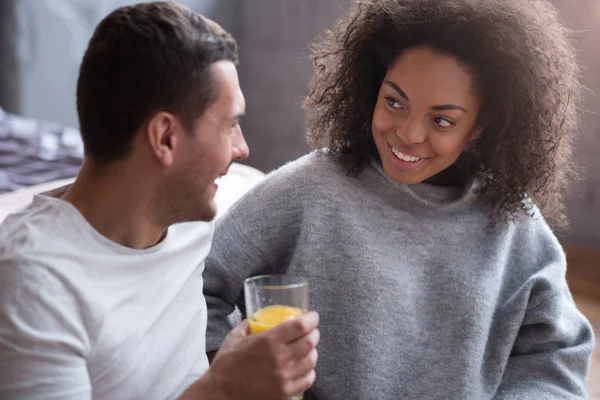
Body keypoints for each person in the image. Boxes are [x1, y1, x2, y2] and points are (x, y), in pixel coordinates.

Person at [203, 0, 595, 398]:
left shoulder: (513, 222)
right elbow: (199, 282)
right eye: (394, 101)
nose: (408, 133)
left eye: (441, 120)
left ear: (481, 124)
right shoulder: (311, 189)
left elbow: (554, 357)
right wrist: (232, 377)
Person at [0, 2, 319, 400]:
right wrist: (222, 388)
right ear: (165, 137)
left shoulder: (193, 216)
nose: (242, 148)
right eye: (231, 125)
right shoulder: (35, 283)